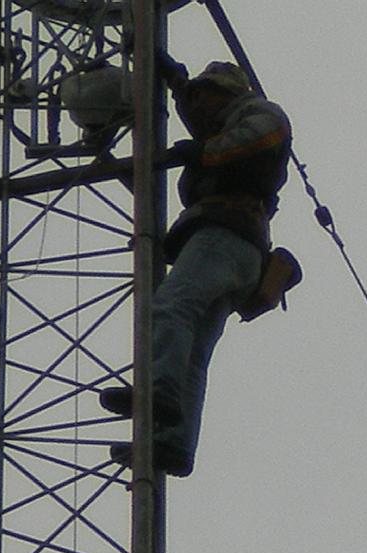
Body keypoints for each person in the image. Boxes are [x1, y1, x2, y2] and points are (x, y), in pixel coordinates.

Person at [100, 58, 292, 477]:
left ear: (227, 93)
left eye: (206, 94)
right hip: (238, 248)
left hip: (223, 237)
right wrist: (176, 81)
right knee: (195, 349)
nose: (198, 104)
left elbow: (261, 135)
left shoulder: (258, 113)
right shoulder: (221, 124)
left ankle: (158, 393)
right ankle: (175, 442)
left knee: (171, 307)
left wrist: (205, 152)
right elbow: (197, 116)